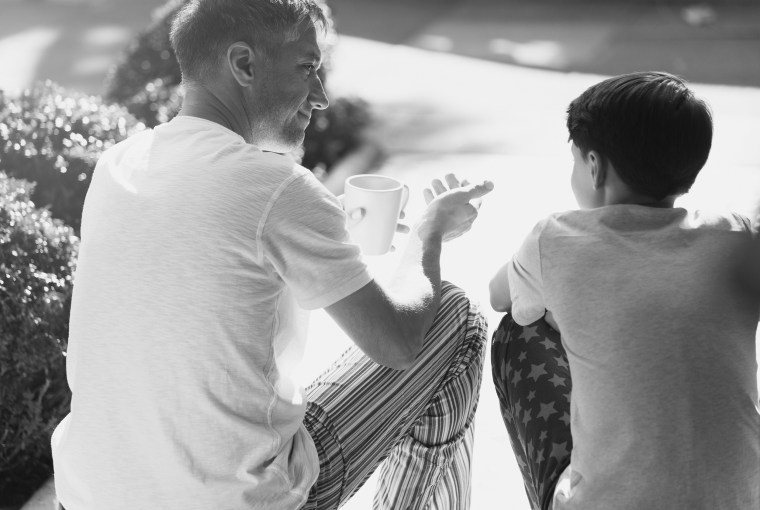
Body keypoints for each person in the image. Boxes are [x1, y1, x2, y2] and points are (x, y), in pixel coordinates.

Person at [50, 1, 494, 509]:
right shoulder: (276, 188)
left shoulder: (118, 163)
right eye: (307, 67)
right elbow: (397, 345)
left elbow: (206, 248)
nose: (322, 96)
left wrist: (323, 220)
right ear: (243, 64)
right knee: (456, 320)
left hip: (89, 496)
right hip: (234, 501)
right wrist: (428, 233)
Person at [488, 71, 760, 510]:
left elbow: (500, 296)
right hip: (739, 499)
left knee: (518, 333)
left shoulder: (555, 239)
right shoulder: (737, 238)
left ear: (594, 168)